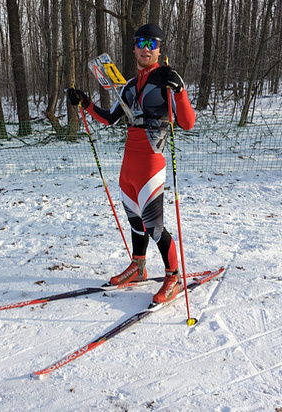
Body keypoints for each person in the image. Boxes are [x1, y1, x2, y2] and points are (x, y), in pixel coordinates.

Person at [67, 23, 196, 304]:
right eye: (141, 43)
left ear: (160, 49)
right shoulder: (128, 85)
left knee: (154, 226)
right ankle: (138, 266)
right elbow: (111, 118)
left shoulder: (167, 78)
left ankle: (172, 277)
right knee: (135, 220)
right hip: (129, 165)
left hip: (151, 161)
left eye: (152, 44)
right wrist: (85, 102)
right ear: (134, 47)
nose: (146, 49)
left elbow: (187, 123)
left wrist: (181, 92)